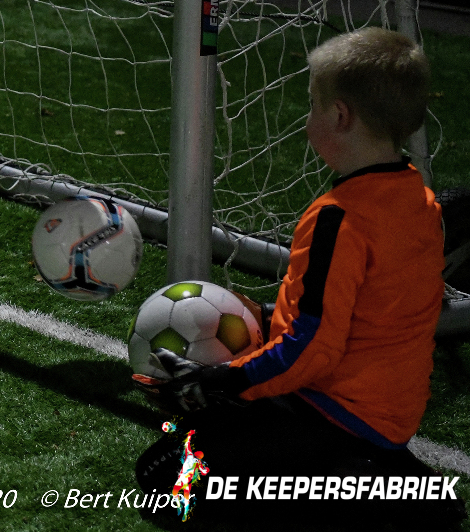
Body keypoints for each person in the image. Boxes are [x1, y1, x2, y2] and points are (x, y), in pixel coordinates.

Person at [133, 27, 465, 528]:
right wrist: (265, 315)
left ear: (339, 116)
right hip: (387, 415)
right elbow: (373, 312)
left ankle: (367, 489)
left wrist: (220, 382)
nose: (308, 118)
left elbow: (313, 348)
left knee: (163, 479)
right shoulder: (420, 201)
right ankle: (388, 476)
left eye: (313, 105)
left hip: (331, 411)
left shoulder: (339, 218)